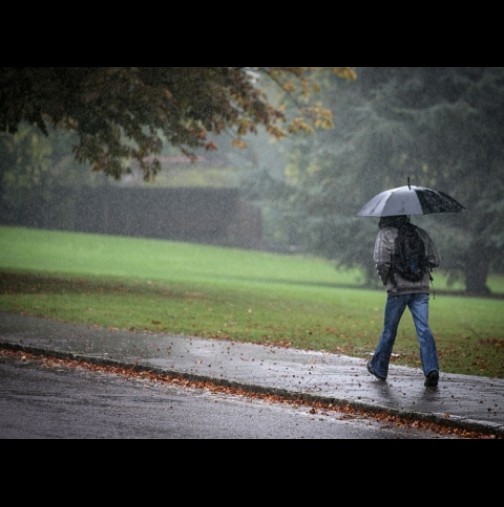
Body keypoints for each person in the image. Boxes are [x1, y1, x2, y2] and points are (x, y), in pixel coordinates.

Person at [367, 215, 441, 388]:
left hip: (397, 290)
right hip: (421, 290)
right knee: (424, 328)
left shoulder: (385, 234)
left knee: (389, 330)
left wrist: (388, 280)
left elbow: (381, 262)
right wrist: (417, 268)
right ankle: (432, 369)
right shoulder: (420, 233)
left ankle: (379, 368)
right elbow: (436, 260)